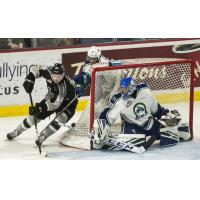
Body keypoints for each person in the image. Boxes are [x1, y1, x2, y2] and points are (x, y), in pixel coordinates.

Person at [92, 76, 191, 153]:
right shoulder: (118, 99)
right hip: (131, 127)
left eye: (124, 89)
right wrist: (102, 128)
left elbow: (155, 109)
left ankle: (180, 130)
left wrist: (165, 114)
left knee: (169, 137)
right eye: (121, 88)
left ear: (131, 88)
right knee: (136, 141)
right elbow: (107, 114)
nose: (122, 91)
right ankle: (102, 142)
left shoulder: (145, 91)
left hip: (150, 123)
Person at [7, 63, 78, 148]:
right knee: (34, 117)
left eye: (58, 76)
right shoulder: (48, 71)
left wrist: (39, 107)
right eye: (54, 75)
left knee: (60, 119)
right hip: (51, 98)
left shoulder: (64, 87)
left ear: (63, 75)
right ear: (51, 73)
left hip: (68, 103)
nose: (56, 78)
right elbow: (37, 69)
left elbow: (55, 104)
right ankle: (17, 131)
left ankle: (43, 136)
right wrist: (30, 78)